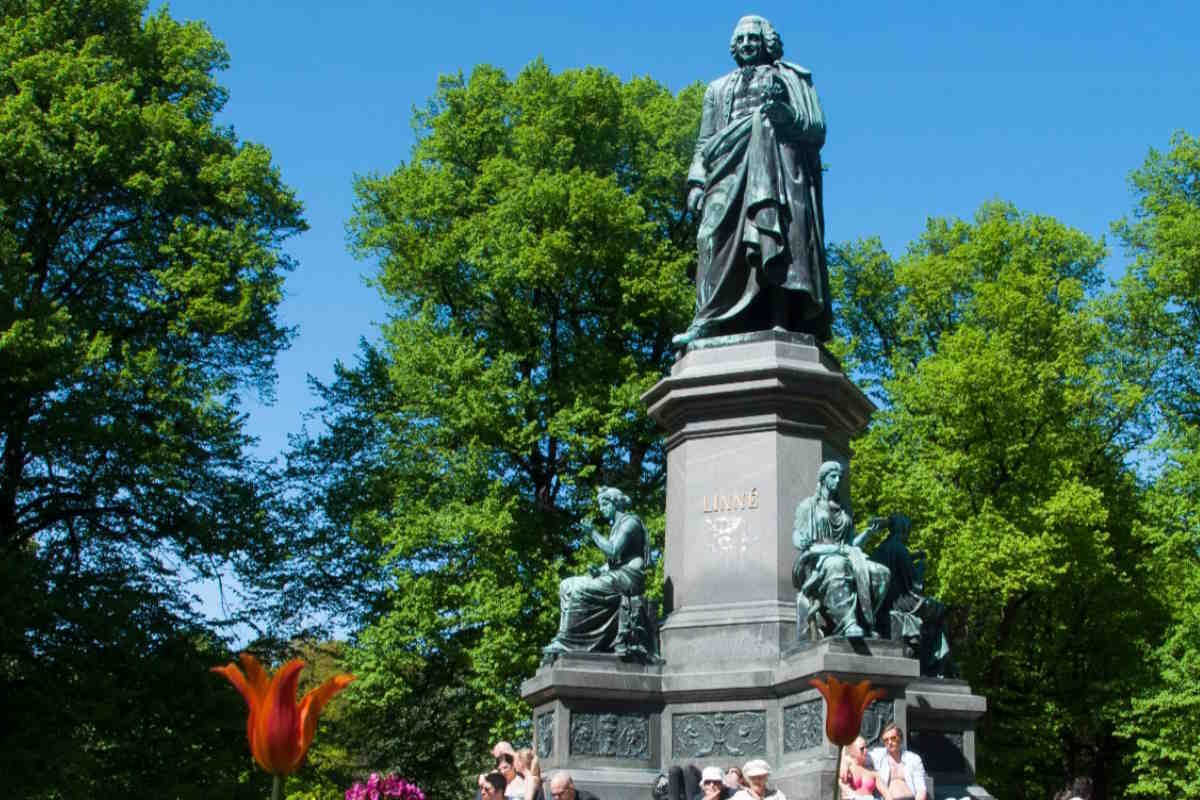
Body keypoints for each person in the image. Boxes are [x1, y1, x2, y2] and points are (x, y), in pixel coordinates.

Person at [673, 15, 830, 348]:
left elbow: (815, 127)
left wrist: (786, 116)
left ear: (766, 42)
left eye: (752, 38)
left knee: (774, 234)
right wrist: (697, 182)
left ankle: (780, 319)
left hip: (776, 170)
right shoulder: (717, 89)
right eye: (741, 39)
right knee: (710, 235)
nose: (746, 44)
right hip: (726, 170)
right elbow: (705, 141)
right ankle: (709, 321)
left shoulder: (790, 78)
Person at [543, 486, 658, 662]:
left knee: (580, 590)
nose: (602, 509)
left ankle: (570, 642)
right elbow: (614, 562)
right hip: (617, 574)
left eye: (604, 504)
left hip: (629, 578)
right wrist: (600, 570)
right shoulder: (616, 527)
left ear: (615, 503)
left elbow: (613, 551)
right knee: (566, 585)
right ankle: (563, 636)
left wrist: (592, 533)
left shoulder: (630, 522)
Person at [792, 461, 891, 638]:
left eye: (839, 477)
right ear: (823, 479)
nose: (838, 480)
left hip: (847, 553)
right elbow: (797, 537)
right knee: (836, 564)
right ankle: (848, 623)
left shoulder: (843, 508)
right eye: (833, 476)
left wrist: (868, 533)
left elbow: (851, 543)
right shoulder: (808, 506)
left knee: (881, 573)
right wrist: (803, 540)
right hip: (820, 557)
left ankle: (865, 620)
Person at [869, 514, 956, 677]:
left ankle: (937, 663)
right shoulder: (900, 548)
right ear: (904, 530)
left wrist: (913, 557)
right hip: (900, 601)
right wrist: (920, 568)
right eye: (907, 532)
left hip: (883, 603)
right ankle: (936, 665)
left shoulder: (882, 548)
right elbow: (914, 585)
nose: (908, 536)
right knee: (939, 610)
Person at [868, 724, 927, 800]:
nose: (889, 742)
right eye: (886, 740)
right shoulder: (877, 756)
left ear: (900, 739)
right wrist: (848, 761)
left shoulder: (913, 758)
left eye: (893, 738)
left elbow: (921, 789)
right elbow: (858, 754)